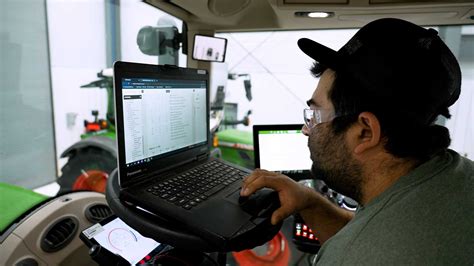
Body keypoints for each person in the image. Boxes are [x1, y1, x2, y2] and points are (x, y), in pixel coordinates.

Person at [240, 18, 474, 265]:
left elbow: (365, 248)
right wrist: (308, 201)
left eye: (314, 116)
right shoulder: (454, 176)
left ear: (365, 132)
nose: (305, 130)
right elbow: (371, 233)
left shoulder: (357, 258)